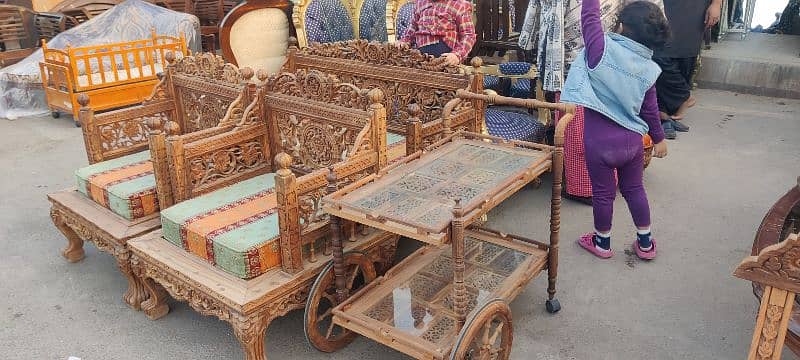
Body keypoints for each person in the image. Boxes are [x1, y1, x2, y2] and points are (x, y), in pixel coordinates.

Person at [560, 0, 668, 260]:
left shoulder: (601, 50)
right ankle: (645, 243)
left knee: (603, 194)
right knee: (634, 190)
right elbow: (650, 110)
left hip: (599, 144)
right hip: (632, 142)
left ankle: (602, 243)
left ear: (620, 26)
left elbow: (590, 18)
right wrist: (659, 139)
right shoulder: (649, 69)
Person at [654, 0, 721, 139]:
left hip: (695, 9)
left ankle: (667, 116)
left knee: (686, 58)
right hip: (665, 7)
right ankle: (676, 103)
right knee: (660, 55)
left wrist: (716, 4)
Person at [397, 0, 477, 66]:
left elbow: (469, 35)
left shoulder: (460, 5)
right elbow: (412, 27)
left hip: (446, 60)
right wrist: (404, 41)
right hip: (421, 58)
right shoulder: (420, 3)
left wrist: (457, 55)